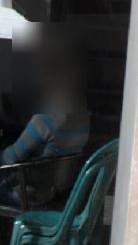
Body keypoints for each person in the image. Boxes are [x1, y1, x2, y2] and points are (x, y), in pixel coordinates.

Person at [0, 29, 89, 210]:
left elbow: (10, 159)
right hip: (51, 190)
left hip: (28, 193)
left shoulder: (44, 121)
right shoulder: (82, 115)